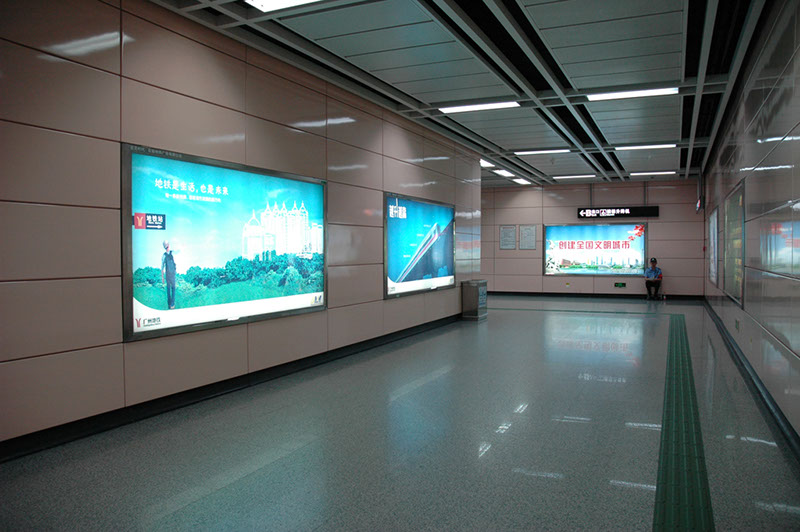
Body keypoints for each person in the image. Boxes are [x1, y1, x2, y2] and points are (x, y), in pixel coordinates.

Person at [161, 240, 177, 309]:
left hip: (170, 274)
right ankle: (171, 304)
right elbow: (162, 267)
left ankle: (170, 304)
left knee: (170, 289)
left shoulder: (165, 255)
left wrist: (162, 277)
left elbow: (162, 267)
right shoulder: (169, 254)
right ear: (168, 245)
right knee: (171, 289)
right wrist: (162, 277)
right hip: (170, 274)